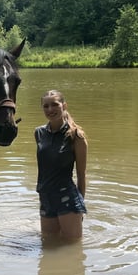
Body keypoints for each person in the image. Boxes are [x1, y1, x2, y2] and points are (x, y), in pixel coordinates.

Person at [34, 89, 87, 240]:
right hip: (45, 197)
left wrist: (81, 206)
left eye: (54, 105)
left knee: (73, 248)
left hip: (67, 199)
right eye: (46, 106)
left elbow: (81, 175)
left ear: (64, 106)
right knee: (48, 245)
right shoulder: (38, 133)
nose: (50, 109)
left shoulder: (76, 136)